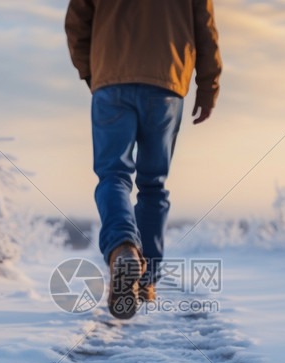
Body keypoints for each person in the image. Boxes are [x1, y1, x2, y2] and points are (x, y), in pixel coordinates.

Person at [65, 0, 222, 319]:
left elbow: (77, 23)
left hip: (111, 80)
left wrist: (93, 73)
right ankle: (146, 280)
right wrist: (208, 87)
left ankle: (123, 248)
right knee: (153, 185)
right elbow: (205, 29)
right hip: (166, 83)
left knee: (113, 176)